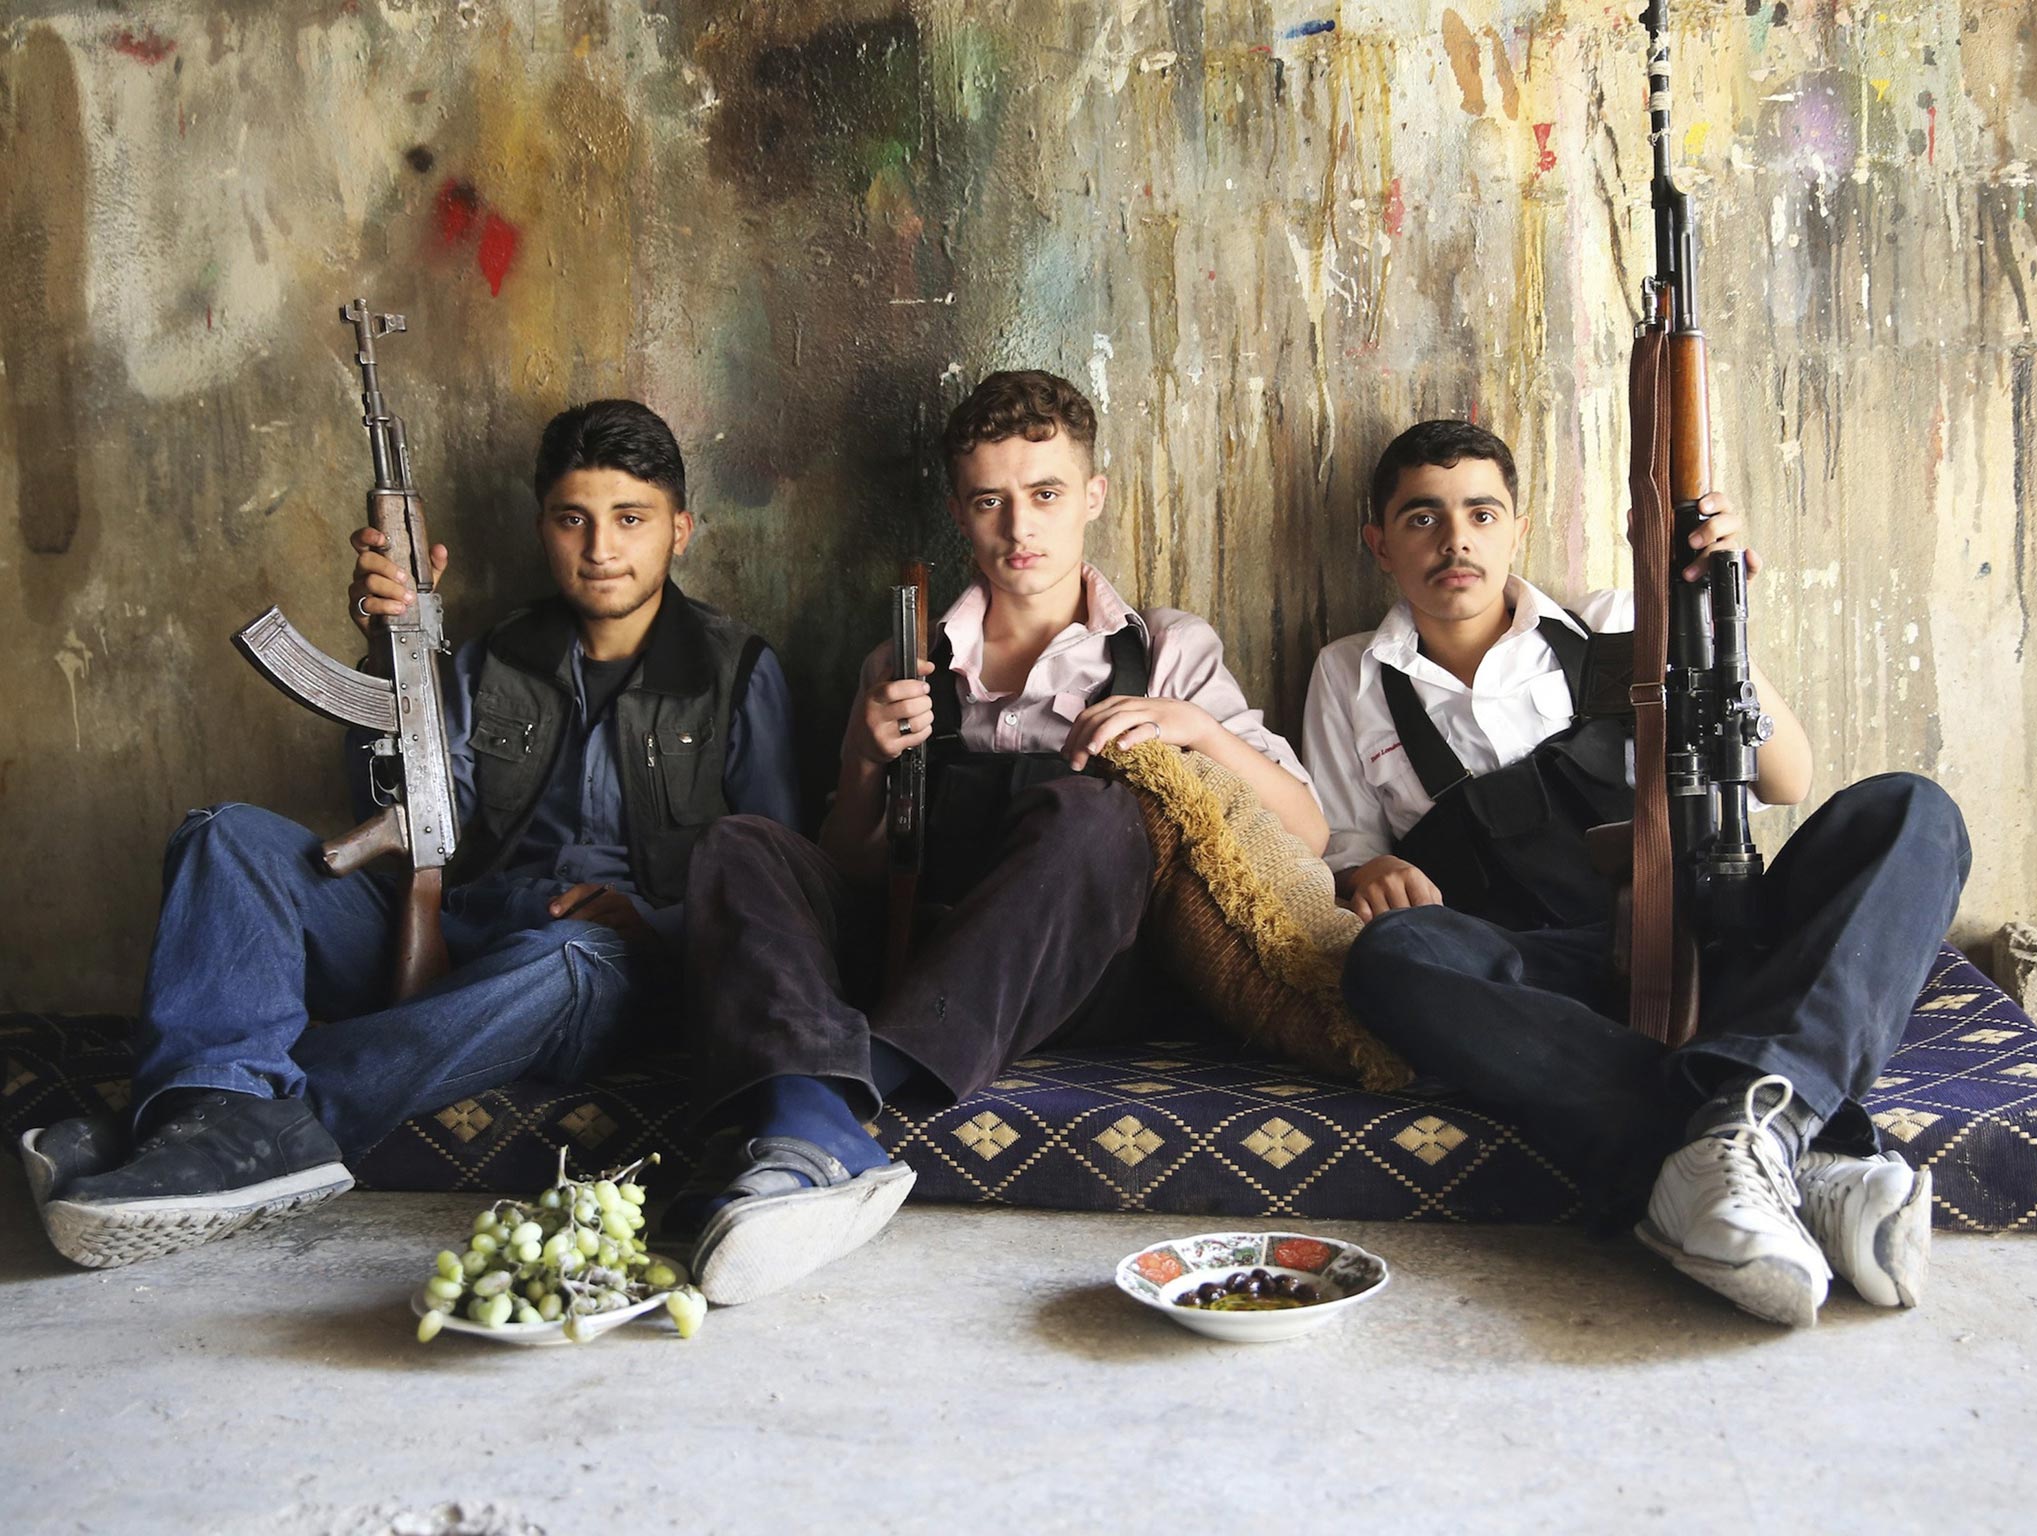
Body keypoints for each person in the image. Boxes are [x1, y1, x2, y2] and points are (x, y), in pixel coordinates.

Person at [24, 400, 801, 1268]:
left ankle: (244, 1125)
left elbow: (773, 886)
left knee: (568, 957)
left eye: (630, 519)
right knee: (226, 836)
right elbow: (413, 813)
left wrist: (652, 930)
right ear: (543, 525)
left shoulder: (737, 671)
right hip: (466, 931)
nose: (600, 550)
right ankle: (206, 1104)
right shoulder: (494, 656)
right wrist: (387, 658)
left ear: (680, 529)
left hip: (601, 968)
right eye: (572, 519)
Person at [665, 369, 1328, 1306]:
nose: (1022, 530)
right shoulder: (906, 658)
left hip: (1075, 975)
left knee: (1098, 812)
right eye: (992, 502)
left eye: (1047, 495)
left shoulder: (1167, 648)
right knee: (738, 844)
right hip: (916, 947)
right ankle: (829, 1111)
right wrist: (860, 758)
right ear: (959, 511)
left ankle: (833, 1106)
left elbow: (1308, 830)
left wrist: (1200, 731)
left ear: (1092, 496)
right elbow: (853, 868)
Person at [1303, 419, 1969, 1328]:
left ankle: (1736, 1139)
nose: (1455, 540)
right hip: (1546, 982)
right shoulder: (1352, 674)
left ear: (1516, 528)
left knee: (1912, 811)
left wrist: (1711, 611)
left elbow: (1786, 779)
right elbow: (1340, 847)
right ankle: (1797, 1153)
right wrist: (1368, 870)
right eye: (1422, 518)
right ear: (1380, 542)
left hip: (1709, 933)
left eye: (1480, 513)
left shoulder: (1620, 620)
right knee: (1388, 957)